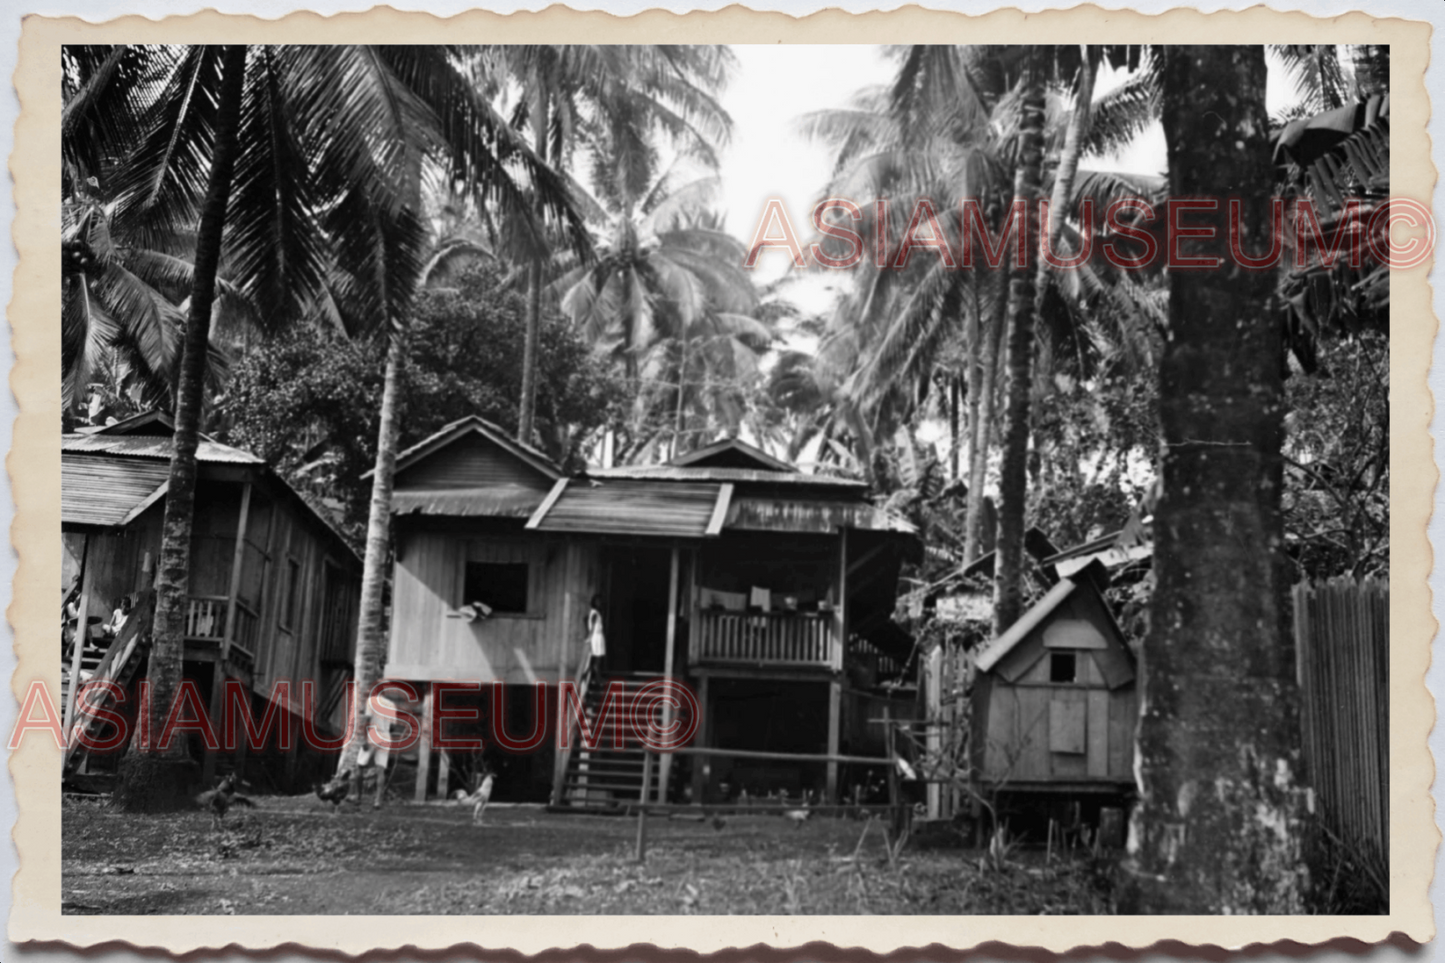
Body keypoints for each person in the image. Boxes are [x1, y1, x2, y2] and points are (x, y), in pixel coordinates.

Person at [586, 594, 606, 678]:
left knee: (598, 660)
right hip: (596, 637)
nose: (599, 603)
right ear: (594, 602)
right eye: (597, 601)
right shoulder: (594, 613)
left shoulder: (596, 612)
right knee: (597, 660)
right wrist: (589, 637)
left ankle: (597, 677)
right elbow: (593, 626)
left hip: (598, 636)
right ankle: (598, 679)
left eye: (600, 601)